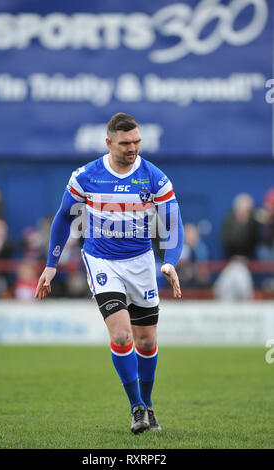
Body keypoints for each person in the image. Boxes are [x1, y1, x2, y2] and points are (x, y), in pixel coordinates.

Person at [34, 113, 184, 434]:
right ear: (109, 143)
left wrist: (169, 261)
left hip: (141, 263)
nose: (133, 148)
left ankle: (148, 404)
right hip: (102, 262)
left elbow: (173, 222)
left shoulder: (154, 178)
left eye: (137, 142)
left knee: (146, 341)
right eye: (126, 143)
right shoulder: (86, 176)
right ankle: (136, 408)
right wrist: (51, 263)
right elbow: (63, 218)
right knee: (121, 335)